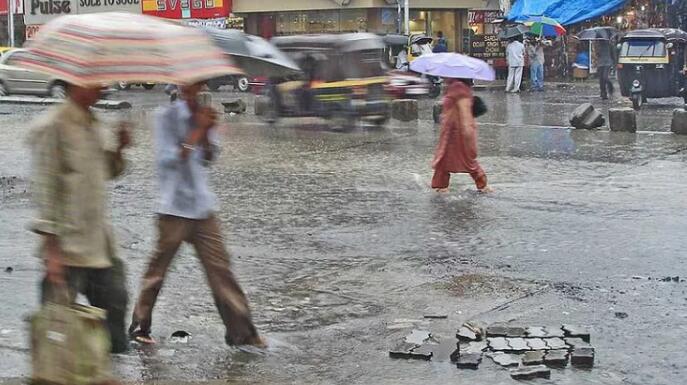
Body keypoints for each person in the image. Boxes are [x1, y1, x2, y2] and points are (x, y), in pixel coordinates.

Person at [128, 81, 264, 347]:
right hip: (173, 208)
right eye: (186, 86)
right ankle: (139, 327)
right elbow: (167, 160)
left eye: (196, 85)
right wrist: (196, 133)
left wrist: (207, 133)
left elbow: (208, 158)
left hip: (202, 208)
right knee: (157, 272)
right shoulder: (165, 117)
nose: (192, 89)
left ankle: (242, 333)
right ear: (178, 87)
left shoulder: (205, 113)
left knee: (221, 271)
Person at [28, 83, 131, 354]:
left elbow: (106, 172)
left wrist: (119, 148)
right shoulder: (53, 126)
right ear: (74, 84)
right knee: (55, 334)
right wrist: (52, 253)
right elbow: (45, 188)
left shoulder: (94, 123)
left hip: (99, 246)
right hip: (66, 248)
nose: (100, 87)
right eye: (93, 82)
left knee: (116, 315)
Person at [431, 78, 492, 193]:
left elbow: (465, 110)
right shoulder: (454, 86)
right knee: (444, 160)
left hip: (458, 132)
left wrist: (467, 131)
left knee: (467, 160)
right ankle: (441, 187)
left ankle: (483, 186)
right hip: (451, 130)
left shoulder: (458, 87)